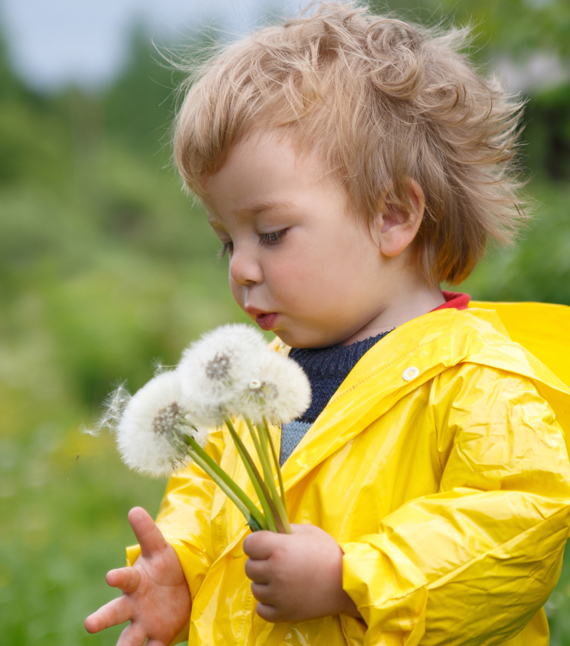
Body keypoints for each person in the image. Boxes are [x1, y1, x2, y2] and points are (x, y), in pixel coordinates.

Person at [85, 3, 570, 645]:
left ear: (392, 215)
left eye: (272, 233)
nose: (243, 268)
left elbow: (517, 528)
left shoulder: (477, 380)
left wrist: (351, 577)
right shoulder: (259, 380)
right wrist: (181, 567)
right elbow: (208, 497)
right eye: (227, 241)